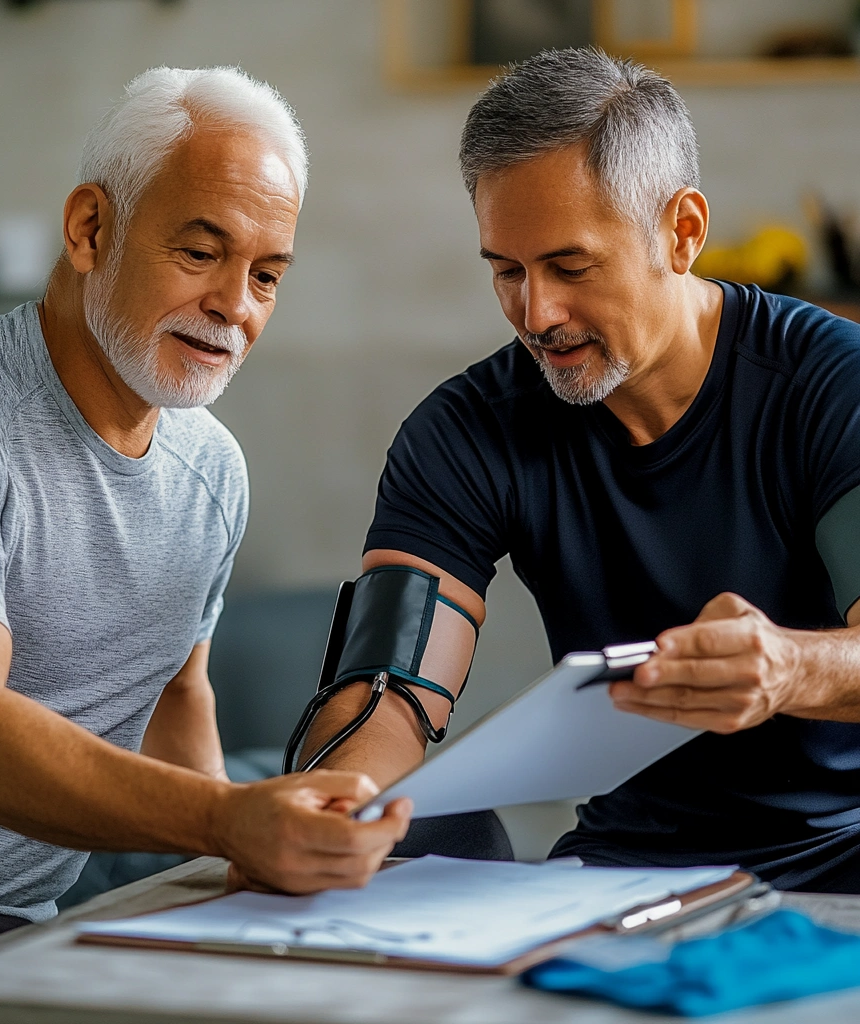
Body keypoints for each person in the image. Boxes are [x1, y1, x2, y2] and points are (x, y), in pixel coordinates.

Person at [0, 66, 410, 1024]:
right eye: (201, 252)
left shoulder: (211, 468)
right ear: (90, 230)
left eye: (267, 274)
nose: (236, 304)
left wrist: (243, 877)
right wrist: (228, 822)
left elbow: (177, 694)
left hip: (25, 915)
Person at [299, 47, 860, 892]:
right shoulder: (464, 433)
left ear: (683, 231)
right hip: (626, 867)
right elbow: (389, 689)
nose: (537, 313)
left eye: (570, 267)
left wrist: (787, 668)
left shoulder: (830, 384)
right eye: (506, 271)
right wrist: (337, 804)